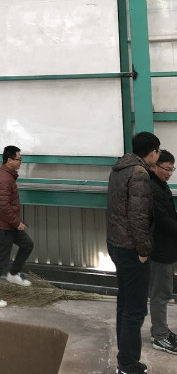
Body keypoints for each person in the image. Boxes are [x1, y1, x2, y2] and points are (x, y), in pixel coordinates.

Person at [106, 131, 160, 374]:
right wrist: (144, 249)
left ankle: (125, 359)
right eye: (158, 151)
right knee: (135, 309)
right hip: (131, 249)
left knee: (125, 302)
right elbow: (138, 217)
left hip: (116, 244)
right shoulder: (139, 174)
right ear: (152, 152)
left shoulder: (119, 169)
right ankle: (128, 364)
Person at [0, 145, 34, 308]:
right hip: (3, 228)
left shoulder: (8, 176)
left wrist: (15, 223)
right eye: (19, 159)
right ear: (9, 160)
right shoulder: (5, 179)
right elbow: (3, 206)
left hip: (9, 225)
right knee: (0, 261)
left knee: (27, 244)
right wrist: (17, 223)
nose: (20, 162)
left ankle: (13, 273)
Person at [149, 149, 177, 354]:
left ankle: (160, 330)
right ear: (154, 166)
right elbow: (163, 221)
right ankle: (160, 337)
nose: (169, 173)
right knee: (161, 294)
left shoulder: (161, 186)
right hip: (159, 250)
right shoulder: (153, 188)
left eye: (172, 169)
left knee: (163, 292)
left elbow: (170, 215)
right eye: (166, 169)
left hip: (167, 247)